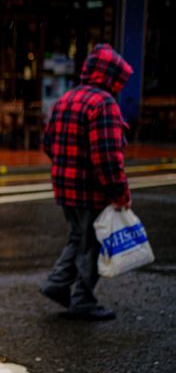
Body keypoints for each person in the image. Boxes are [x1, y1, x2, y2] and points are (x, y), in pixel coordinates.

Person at [40, 44, 133, 321]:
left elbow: (48, 143)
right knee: (91, 244)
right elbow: (106, 157)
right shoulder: (104, 104)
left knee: (78, 237)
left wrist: (66, 166)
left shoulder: (66, 99)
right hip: (90, 189)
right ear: (111, 76)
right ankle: (82, 299)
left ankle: (57, 284)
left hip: (64, 185)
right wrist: (119, 191)